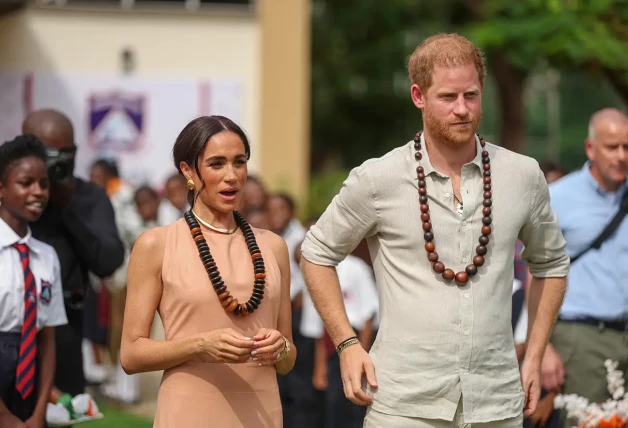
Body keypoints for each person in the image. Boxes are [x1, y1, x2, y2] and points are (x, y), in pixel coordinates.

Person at [299, 33, 570, 427]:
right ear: (418, 96)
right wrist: (347, 343)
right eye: (448, 97)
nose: (462, 109)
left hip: (496, 403)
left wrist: (535, 353)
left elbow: (552, 264)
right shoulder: (378, 179)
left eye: (471, 96)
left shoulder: (522, 175)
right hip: (402, 402)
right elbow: (316, 253)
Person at [119, 115, 296, 428]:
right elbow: (131, 355)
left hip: (263, 413)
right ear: (188, 171)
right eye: (217, 164)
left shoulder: (274, 247)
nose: (232, 176)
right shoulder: (156, 245)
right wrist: (199, 345)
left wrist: (280, 347)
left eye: (239, 162)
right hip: (188, 413)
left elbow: (287, 361)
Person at [22, 109, 125, 397]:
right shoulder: (10, 193)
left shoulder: (88, 197)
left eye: (63, 153)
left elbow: (108, 262)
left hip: (65, 331)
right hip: (10, 327)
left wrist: (68, 207)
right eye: (46, 153)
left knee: (63, 411)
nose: (55, 162)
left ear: (75, 152)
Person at [541, 108, 628, 427]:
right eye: (612, 147)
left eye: (627, 147)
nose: (621, 156)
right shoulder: (558, 198)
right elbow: (532, 275)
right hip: (581, 338)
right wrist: (543, 348)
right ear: (590, 149)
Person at [0, 135, 68, 427]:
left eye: (43, 183)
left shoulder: (46, 256)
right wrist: (4, 416)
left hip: (30, 381)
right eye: (26, 183)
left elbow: (47, 339)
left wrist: (39, 412)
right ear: (1, 188)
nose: (38, 191)